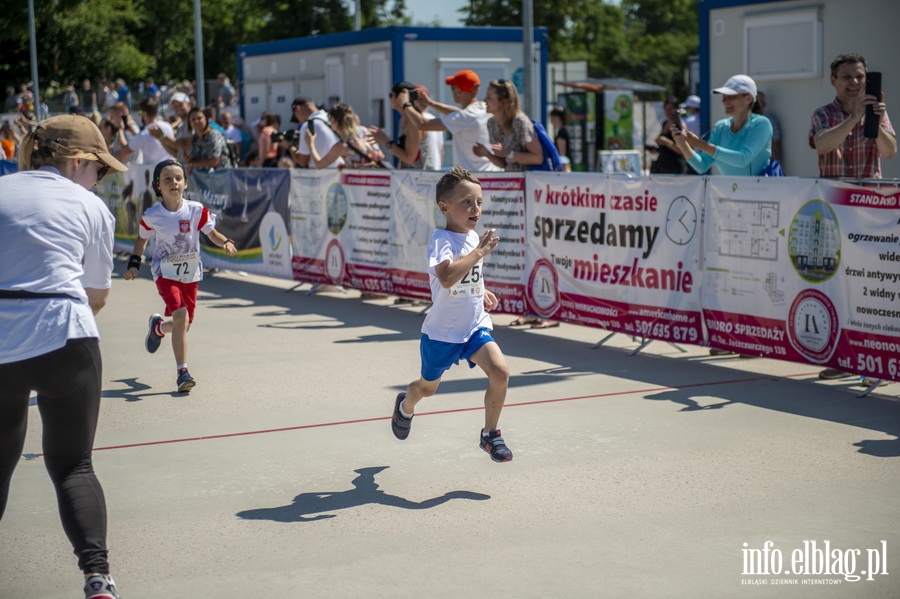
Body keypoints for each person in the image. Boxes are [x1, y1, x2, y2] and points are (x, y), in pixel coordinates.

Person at [0, 114, 127, 599]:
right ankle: (98, 580)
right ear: (76, 162)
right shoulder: (91, 207)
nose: (100, 180)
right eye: (100, 170)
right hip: (64, 335)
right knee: (73, 465)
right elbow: (95, 297)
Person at [390, 165, 513, 463]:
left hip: (473, 327)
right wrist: (479, 253)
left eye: (479, 202)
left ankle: (490, 435)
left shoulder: (473, 239)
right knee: (426, 389)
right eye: (467, 202)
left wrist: (481, 291)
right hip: (442, 333)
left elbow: (469, 275)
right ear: (444, 207)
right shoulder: (441, 240)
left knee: (500, 372)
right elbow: (446, 278)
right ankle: (406, 404)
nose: (476, 208)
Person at [810, 53, 896, 382]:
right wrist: (853, 119)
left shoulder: (877, 113)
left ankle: (875, 359)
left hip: (871, 216)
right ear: (834, 81)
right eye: (847, 77)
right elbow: (821, 145)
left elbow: (890, 152)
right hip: (833, 213)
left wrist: (874, 121)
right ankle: (843, 358)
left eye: (859, 76)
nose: (855, 83)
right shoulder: (823, 114)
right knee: (837, 287)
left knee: (870, 289)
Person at [123, 159, 237, 392]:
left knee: (182, 325)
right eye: (167, 179)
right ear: (158, 186)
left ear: (185, 183)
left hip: (191, 273)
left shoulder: (196, 210)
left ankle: (157, 328)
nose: (173, 182)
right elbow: (141, 240)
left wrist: (225, 241)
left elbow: (212, 233)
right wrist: (135, 263)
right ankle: (182, 373)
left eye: (178, 178)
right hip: (165, 272)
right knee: (181, 315)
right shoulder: (153, 215)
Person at [673, 74, 772, 177]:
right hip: (728, 191)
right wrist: (682, 142)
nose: (724, 101)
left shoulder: (762, 123)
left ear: (749, 99)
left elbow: (743, 159)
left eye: (731, 97)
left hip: (759, 192)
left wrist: (701, 145)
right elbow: (701, 166)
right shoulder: (721, 126)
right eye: (724, 97)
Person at [401, 69, 500, 172]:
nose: (451, 91)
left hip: (473, 177)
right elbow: (459, 113)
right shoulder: (483, 107)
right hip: (491, 175)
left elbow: (422, 124)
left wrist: (405, 104)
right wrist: (430, 103)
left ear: (459, 91)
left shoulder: (465, 116)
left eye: (453, 87)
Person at [473, 79, 544, 171]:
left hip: (529, 182)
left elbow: (538, 158)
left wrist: (509, 153)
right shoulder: (492, 123)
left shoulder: (520, 121)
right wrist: (486, 153)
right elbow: (504, 163)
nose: (484, 100)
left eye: (489, 97)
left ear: (503, 101)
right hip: (511, 182)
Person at [368, 81, 434, 169]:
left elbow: (410, 158)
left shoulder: (413, 122)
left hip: (421, 178)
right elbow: (403, 154)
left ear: (400, 97)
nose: (390, 98)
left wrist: (386, 141)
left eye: (391, 95)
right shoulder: (403, 121)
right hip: (409, 176)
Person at [290, 96, 344, 169]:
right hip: (341, 170)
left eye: (296, 118)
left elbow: (302, 161)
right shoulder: (330, 118)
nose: (299, 121)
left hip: (322, 175)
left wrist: (290, 147)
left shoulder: (308, 126)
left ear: (298, 108)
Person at [324, 102, 384, 168]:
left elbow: (319, 164)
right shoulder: (364, 131)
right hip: (378, 173)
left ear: (333, 120)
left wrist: (311, 144)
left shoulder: (342, 145)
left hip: (359, 177)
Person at [120, 97, 176, 165]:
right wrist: (135, 134)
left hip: (154, 171)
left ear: (143, 113)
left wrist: (120, 130)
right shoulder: (168, 126)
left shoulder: (143, 134)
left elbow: (125, 150)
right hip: (172, 167)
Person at [185, 106, 233, 173]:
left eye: (199, 118)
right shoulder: (194, 138)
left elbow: (214, 161)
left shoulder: (213, 135)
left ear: (206, 119)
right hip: (206, 178)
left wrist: (192, 165)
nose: (196, 121)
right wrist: (189, 160)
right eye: (193, 119)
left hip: (222, 175)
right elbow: (192, 158)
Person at [649, 96, 688, 174]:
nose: (668, 112)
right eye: (666, 109)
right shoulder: (665, 123)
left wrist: (667, 142)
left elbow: (683, 150)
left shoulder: (680, 126)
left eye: (671, 109)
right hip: (662, 167)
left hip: (675, 168)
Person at [757, 91, 782, 163]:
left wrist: (774, 162)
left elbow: (775, 141)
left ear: (764, 105)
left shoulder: (768, 120)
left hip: (765, 162)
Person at [549, 106, 572, 171]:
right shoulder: (563, 131)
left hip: (563, 167)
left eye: (551, 118)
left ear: (556, 118)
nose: (550, 121)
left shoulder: (561, 133)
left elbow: (562, 153)